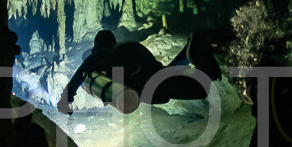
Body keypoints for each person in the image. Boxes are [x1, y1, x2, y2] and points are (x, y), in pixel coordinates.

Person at [57, 30, 221, 114]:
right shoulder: (123, 45)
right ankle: (190, 53)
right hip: (151, 68)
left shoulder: (96, 57)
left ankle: (195, 54)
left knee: (200, 89)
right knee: (172, 79)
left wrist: (65, 100)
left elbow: (76, 80)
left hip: (142, 85)